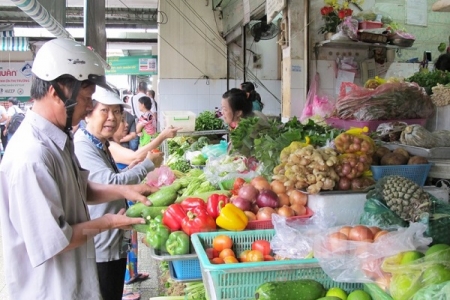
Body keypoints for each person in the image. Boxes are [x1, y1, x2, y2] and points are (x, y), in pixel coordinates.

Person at [0, 38, 154, 299]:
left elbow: (80, 189)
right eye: (86, 100)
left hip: (74, 281)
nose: (88, 110)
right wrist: (107, 222)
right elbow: (56, 240)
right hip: (49, 289)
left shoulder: (58, 139)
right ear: (56, 90)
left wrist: (126, 191)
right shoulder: (32, 155)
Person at [74, 86, 164, 300]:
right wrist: (146, 166)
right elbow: (109, 182)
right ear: (88, 112)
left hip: (113, 236)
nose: (112, 118)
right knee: (106, 291)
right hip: (100, 243)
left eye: (117, 112)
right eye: (104, 111)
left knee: (113, 289)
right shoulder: (83, 145)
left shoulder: (99, 143)